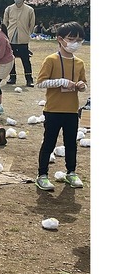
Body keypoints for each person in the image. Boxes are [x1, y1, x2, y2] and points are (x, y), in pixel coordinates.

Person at [34, 22, 87, 191]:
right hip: (53, 110)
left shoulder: (79, 62)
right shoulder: (51, 60)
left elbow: (84, 82)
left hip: (72, 110)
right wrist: (62, 82)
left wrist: (81, 85)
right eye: (71, 39)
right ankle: (42, 175)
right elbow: (40, 83)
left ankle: (71, 172)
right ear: (60, 39)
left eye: (79, 40)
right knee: (49, 143)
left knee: (71, 143)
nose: (75, 43)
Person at [3, 0, 36, 87]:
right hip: (11, 35)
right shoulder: (9, 9)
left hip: (23, 37)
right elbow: (5, 23)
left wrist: (27, 34)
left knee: (25, 60)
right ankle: (12, 77)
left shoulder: (29, 10)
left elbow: (32, 24)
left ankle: (29, 79)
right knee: (10, 59)